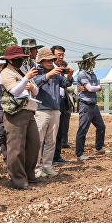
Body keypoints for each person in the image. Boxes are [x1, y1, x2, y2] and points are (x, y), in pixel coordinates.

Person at [0, 45, 41, 190]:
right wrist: (26, 81)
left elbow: (36, 90)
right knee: (16, 147)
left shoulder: (23, 70)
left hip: (29, 111)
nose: (19, 60)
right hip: (15, 112)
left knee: (34, 144)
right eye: (16, 58)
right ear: (9, 60)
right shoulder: (5, 73)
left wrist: (31, 86)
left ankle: (29, 175)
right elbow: (15, 91)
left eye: (21, 58)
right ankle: (18, 180)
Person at [33, 48, 70, 177]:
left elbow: (65, 84)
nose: (50, 62)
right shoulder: (36, 71)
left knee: (51, 141)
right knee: (38, 141)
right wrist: (48, 75)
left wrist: (68, 74)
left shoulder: (56, 72)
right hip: (41, 110)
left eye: (52, 60)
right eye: (47, 60)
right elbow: (34, 83)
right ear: (41, 61)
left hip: (55, 110)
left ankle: (47, 166)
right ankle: (36, 168)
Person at [75, 52, 108, 160]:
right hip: (85, 105)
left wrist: (95, 87)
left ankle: (98, 149)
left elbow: (91, 88)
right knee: (83, 129)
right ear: (89, 62)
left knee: (101, 126)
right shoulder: (82, 74)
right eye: (93, 61)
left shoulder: (92, 74)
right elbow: (91, 88)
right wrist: (97, 87)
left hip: (93, 105)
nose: (94, 63)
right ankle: (79, 154)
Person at [51, 45, 74, 165]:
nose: (61, 57)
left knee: (60, 129)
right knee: (52, 130)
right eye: (58, 54)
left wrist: (69, 76)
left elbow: (66, 84)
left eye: (62, 55)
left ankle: (57, 155)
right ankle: (49, 158)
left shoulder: (60, 69)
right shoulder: (49, 68)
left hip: (63, 100)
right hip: (53, 101)